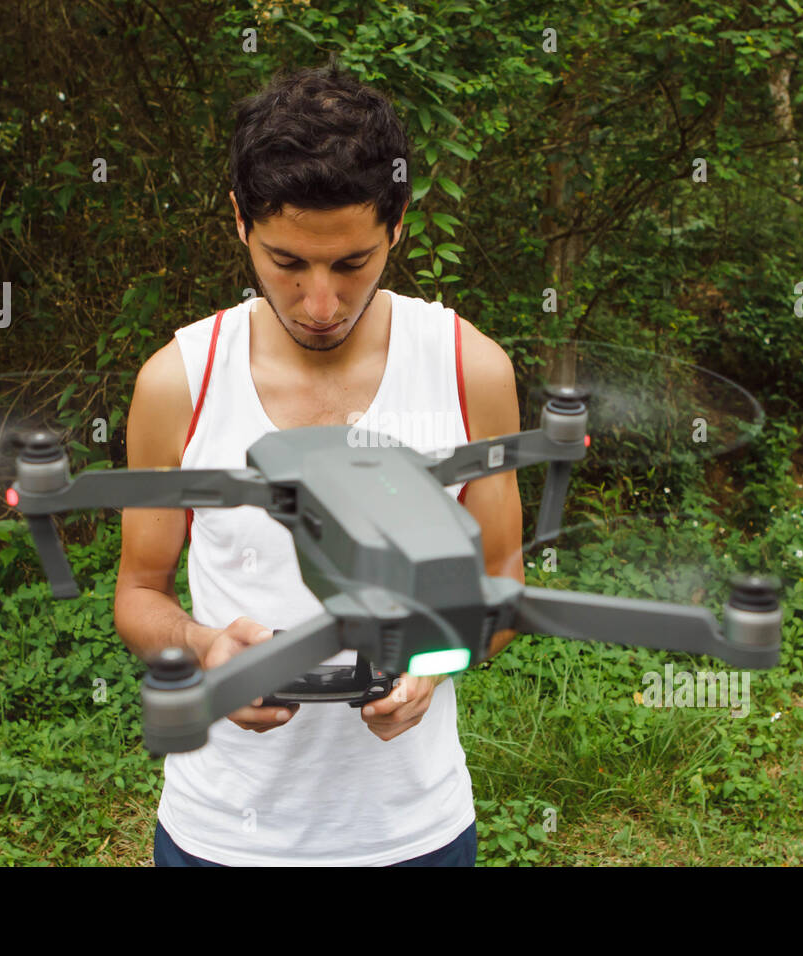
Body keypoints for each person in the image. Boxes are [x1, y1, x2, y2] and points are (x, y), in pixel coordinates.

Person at [113, 61, 524, 867]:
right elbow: (139, 592)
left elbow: (503, 578)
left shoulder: (469, 370)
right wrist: (202, 647)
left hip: (415, 834)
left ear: (398, 222)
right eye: (288, 263)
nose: (320, 304)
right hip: (220, 836)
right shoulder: (178, 384)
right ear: (238, 221)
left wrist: (435, 661)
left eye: (351, 264)